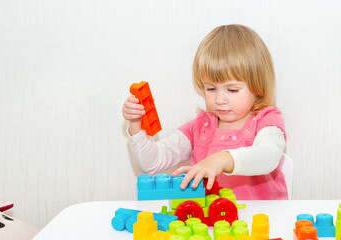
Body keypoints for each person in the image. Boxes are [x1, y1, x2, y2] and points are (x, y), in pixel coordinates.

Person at [122, 24, 287, 200]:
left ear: (258, 87)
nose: (219, 99)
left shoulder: (266, 120)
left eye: (232, 90)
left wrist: (221, 159)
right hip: (209, 224)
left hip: (261, 221)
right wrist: (136, 127)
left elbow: (268, 156)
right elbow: (153, 163)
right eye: (211, 88)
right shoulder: (201, 127)